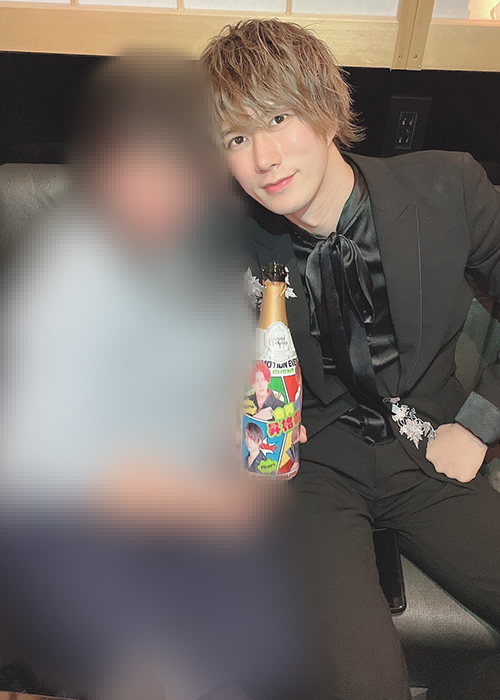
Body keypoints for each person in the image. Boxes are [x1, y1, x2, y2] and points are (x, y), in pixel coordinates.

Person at [201, 19, 500, 700]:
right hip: (310, 465)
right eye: (237, 138)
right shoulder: (224, 234)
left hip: (432, 440)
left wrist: (481, 419)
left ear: (328, 111)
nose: (263, 158)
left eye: (278, 119)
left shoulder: (448, 188)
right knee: (360, 683)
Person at [0, 51, 309, 700]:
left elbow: (217, 379)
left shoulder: (202, 260)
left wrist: (246, 417)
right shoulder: (68, 273)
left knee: (265, 650)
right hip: (74, 522)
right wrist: (201, 502)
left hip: (180, 504)